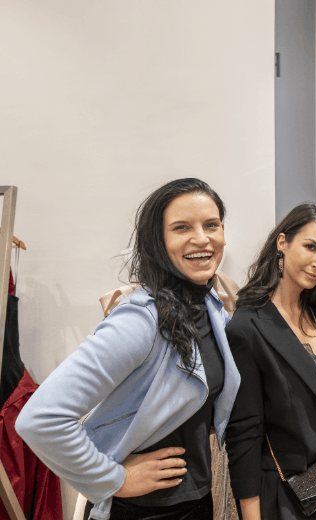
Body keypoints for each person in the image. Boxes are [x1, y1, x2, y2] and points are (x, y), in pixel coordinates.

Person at [16, 178, 241, 520]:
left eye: (211, 225)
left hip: (194, 500)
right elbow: (40, 419)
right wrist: (115, 479)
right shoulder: (141, 320)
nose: (201, 238)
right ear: (158, 241)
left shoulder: (211, 307)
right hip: (140, 510)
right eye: (181, 227)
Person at [224, 204, 316, 520]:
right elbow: (245, 434)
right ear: (282, 242)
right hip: (286, 498)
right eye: (311, 247)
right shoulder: (247, 327)